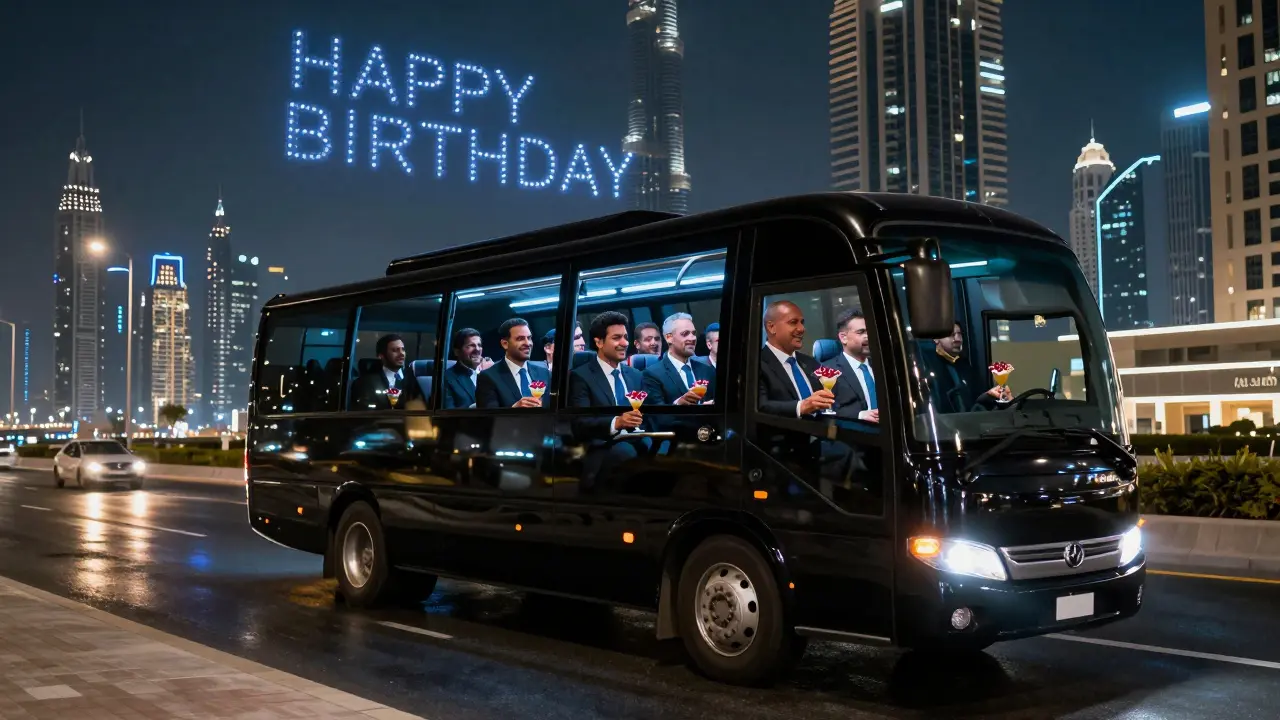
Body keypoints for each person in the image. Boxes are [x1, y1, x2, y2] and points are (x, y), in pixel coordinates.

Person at [569, 311, 646, 437]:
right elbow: (580, 423)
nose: (625, 343)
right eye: (616, 338)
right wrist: (617, 423)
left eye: (626, 337)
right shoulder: (581, 377)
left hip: (641, 439)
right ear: (599, 342)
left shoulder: (636, 375)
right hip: (606, 444)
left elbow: (649, 415)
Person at [758, 301, 834, 417]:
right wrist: (801, 406)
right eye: (793, 322)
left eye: (802, 322)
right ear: (771, 327)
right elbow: (760, 406)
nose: (801, 328)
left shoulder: (811, 363)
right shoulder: (756, 364)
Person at [924, 322, 1008, 412]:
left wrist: (992, 396)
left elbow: (977, 396)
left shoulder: (964, 365)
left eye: (959, 334)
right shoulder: (927, 365)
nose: (957, 339)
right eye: (951, 334)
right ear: (936, 339)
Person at [643, 312, 715, 406]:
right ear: (669, 338)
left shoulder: (707, 370)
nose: (692, 338)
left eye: (693, 333)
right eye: (685, 334)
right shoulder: (652, 375)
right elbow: (657, 417)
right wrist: (678, 405)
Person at [476, 318, 550, 409]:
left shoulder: (544, 372)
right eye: (520, 339)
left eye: (529, 338)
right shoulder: (488, 377)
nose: (528, 343)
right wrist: (514, 409)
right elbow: (487, 417)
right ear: (505, 344)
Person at [828, 309, 878, 423]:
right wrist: (859, 415)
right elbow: (826, 410)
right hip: (852, 435)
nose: (868, 336)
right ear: (843, 338)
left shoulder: (881, 366)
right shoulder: (827, 370)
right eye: (861, 332)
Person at [350, 334, 407, 410]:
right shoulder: (365, 382)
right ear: (381, 356)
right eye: (395, 350)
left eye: (403, 349)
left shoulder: (413, 379)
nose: (401, 353)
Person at [443, 328, 493, 409]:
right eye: (471, 345)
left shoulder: (490, 373)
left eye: (479, 345)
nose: (477, 349)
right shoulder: (446, 378)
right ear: (457, 352)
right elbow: (447, 415)